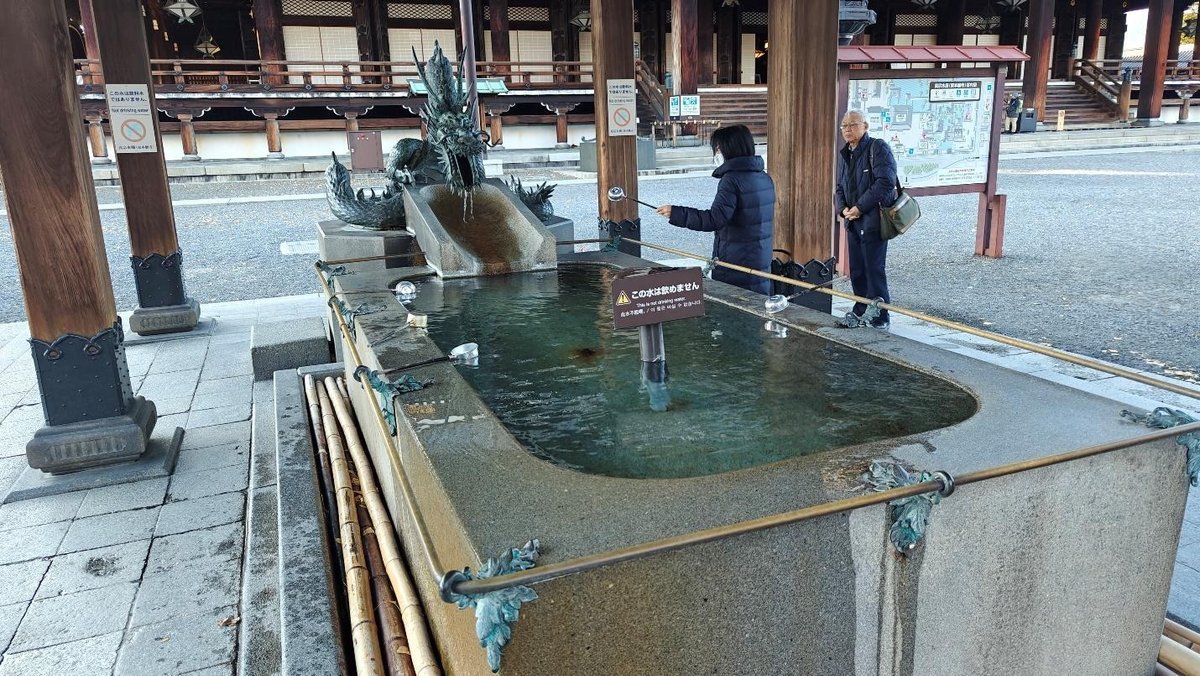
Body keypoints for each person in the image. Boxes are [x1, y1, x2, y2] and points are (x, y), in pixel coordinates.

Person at [655, 124, 775, 295]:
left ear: (729, 148)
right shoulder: (764, 177)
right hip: (760, 261)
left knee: (733, 315)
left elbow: (715, 219)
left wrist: (676, 213)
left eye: (718, 148)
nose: (716, 153)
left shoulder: (731, 180)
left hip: (736, 264)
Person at [835, 110, 896, 329]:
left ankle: (880, 316)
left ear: (866, 126)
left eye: (852, 124)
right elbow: (840, 186)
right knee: (857, 270)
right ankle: (860, 309)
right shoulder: (846, 153)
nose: (847, 129)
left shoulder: (877, 148)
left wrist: (860, 207)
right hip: (853, 220)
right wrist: (842, 209)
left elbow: (885, 183)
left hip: (873, 219)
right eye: (844, 126)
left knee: (873, 269)